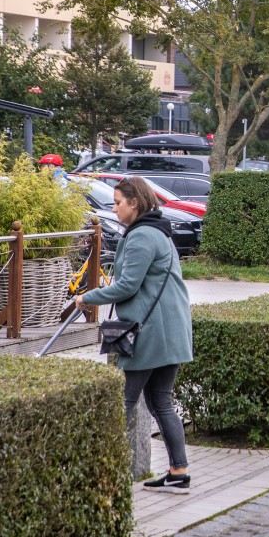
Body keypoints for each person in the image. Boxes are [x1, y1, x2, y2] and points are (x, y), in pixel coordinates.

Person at [75, 177, 194, 493]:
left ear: (135, 203)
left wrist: (87, 297)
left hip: (149, 333)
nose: (113, 208)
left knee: (122, 402)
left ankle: (103, 473)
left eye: (117, 202)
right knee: (161, 403)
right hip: (169, 331)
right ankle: (178, 470)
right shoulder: (160, 231)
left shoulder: (142, 236)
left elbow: (128, 285)